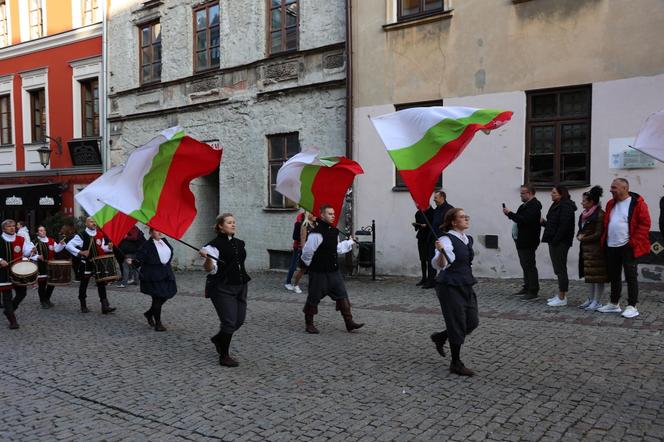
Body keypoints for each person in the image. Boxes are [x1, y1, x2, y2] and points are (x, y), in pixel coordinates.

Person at [430, 208, 479, 377]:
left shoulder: (467, 239)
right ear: (453, 221)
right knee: (457, 322)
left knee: (472, 321)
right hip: (449, 285)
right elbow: (441, 264)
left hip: (466, 283)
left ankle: (441, 336)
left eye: (467, 216)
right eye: (462, 217)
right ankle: (456, 363)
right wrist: (442, 252)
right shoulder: (446, 239)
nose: (466, 218)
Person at [301, 204, 364, 334]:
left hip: (333, 271)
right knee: (313, 298)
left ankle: (349, 323)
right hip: (318, 272)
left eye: (334, 213)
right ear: (322, 215)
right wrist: (308, 265)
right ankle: (309, 324)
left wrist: (350, 242)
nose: (333, 215)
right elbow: (307, 251)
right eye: (329, 213)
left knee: (342, 295)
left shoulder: (333, 231)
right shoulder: (316, 234)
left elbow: (337, 249)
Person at [199, 213, 251, 367]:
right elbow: (209, 269)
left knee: (238, 321)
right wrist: (208, 258)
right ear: (220, 226)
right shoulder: (211, 247)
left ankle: (218, 339)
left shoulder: (240, 243)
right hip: (222, 287)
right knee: (229, 322)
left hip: (241, 285)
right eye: (229, 222)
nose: (233, 224)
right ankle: (224, 356)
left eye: (234, 222)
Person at [598, 178, 651, 318]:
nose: (611, 190)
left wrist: (633, 242)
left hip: (628, 246)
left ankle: (632, 306)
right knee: (614, 276)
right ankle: (614, 303)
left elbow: (645, 224)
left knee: (630, 276)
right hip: (612, 245)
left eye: (614, 187)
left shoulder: (638, 204)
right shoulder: (611, 203)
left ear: (624, 188)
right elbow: (607, 222)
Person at [65, 217, 117, 314]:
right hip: (86, 263)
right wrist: (80, 252)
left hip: (98, 263)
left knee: (101, 283)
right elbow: (68, 246)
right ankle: (83, 305)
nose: (94, 223)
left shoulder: (100, 234)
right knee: (84, 284)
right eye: (91, 221)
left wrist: (108, 248)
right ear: (86, 223)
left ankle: (105, 306)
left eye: (95, 221)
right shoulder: (81, 235)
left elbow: (101, 248)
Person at [129, 229, 176, 332]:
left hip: (166, 273)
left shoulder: (164, 241)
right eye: (156, 231)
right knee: (157, 298)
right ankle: (158, 324)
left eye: (160, 230)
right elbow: (139, 259)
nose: (159, 232)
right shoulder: (147, 245)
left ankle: (149, 313)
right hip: (153, 275)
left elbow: (169, 253)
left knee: (168, 293)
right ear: (150, 233)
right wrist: (132, 262)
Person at [503, 184, 542, 300]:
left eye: (523, 193)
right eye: (521, 193)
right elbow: (519, 218)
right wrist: (510, 215)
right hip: (521, 240)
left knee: (529, 265)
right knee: (525, 265)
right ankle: (527, 287)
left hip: (528, 240)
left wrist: (509, 214)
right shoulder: (525, 206)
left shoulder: (534, 206)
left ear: (529, 193)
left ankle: (533, 291)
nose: (521, 195)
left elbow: (524, 220)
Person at [541, 186, 577, 307]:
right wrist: (544, 223)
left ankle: (562, 297)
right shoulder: (557, 204)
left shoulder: (565, 206)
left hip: (561, 242)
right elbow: (554, 224)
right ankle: (560, 295)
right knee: (558, 269)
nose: (551, 194)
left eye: (554, 192)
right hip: (555, 241)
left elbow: (563, 227)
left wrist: (555, 240)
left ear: (561, 194)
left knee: (560, 269)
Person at [576, 186, 609, 311]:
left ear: (591, 202)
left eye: (584, 200)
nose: (582, 202)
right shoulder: (583, 214)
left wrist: (583, 238)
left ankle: (597, 301)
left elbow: (598, 233)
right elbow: (581, 229)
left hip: (597, 250)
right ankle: (590, 299)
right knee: (589, 276)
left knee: (598, 277)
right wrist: (579, 235)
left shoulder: (600, 214)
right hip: (586, 250)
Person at [0, 219, 35, 329]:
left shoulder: (20, 239)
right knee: (7, 297)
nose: (12, 228)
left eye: (14, 226)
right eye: (9, 226)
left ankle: (9, 310)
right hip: (3, 273)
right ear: (3, 229)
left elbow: (26, 251)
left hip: (18, 272)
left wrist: (32, 250)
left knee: (22, 293)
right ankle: (12, 320)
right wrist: (0, 260)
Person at [424, 190, 454, 289]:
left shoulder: (450, 210)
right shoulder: (437, 209)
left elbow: (451, 224)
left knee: (443, 258)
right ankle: (431, 280)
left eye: (436, 197)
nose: (434, 199)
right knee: (431, 258)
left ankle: (444, 280)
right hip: (433, 238)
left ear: (442, 197)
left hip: (443, 238)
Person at [32, 226, 66, 309]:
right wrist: (37, 256)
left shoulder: (51, 240)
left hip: (51, 265)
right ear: (37, 232)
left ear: (45, 231)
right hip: (41, 265)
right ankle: (42, 301)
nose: (42, 232)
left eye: (43, 230)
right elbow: (30, 254)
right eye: (40, 230)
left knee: (52, 283)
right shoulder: (35, 242)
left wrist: (61, 244)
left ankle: (47, 298)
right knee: (42, 284)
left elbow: (56, 249)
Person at [290, 211, 317, 293]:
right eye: (313, 213)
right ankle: (296, 285)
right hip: (307, 251)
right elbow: (303, 240)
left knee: (314, 270)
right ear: (308, 215)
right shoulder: (305, 225)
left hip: (315, 250)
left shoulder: (316, 225)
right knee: (303, 269)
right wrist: (305, 252)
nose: (315, 215)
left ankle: (313, 286)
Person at [413, 206, 435, 286]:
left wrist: (427, 226)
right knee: (422, 259)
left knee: (430, 259)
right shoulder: (418, 213)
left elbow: (434, 225)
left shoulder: (432, 212)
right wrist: (417, 225)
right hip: (421, 237)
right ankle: (424, 278)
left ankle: (430, 278)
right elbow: (417, 226)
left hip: (429, 238)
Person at [285, 211, 305, 293]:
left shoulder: (313, 218)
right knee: (294, 264)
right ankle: (288, 282)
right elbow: (296, 235)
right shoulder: (300, 217)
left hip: (306, 247)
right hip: (298, 246)